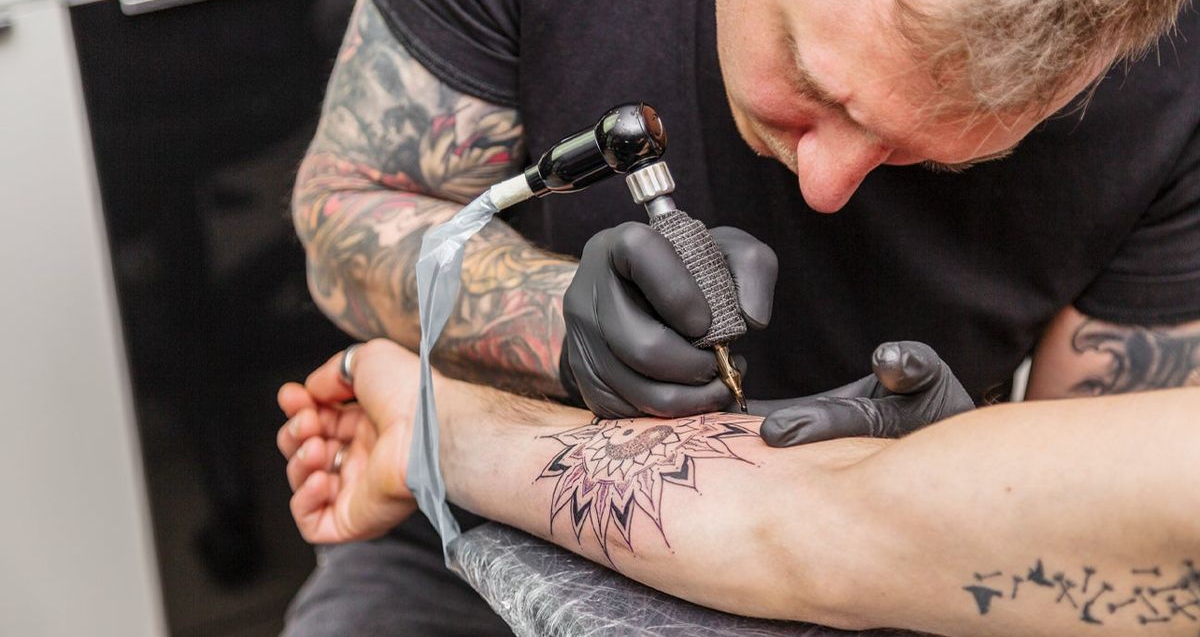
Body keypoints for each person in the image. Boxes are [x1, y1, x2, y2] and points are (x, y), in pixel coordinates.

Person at [285, 0, 1200, 633]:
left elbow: (1114, 543)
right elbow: (345, 208)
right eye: (810, 85)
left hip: (909, 578)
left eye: (934, 152)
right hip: (476, 544)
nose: (827, 184)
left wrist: (967, 466)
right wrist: (554, 318)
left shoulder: (1174, 84)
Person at [277, 339, 1200, 636]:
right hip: (450, 541)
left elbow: (821, 523)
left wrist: (441, 434)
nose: (831, 180)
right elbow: (822, 518)